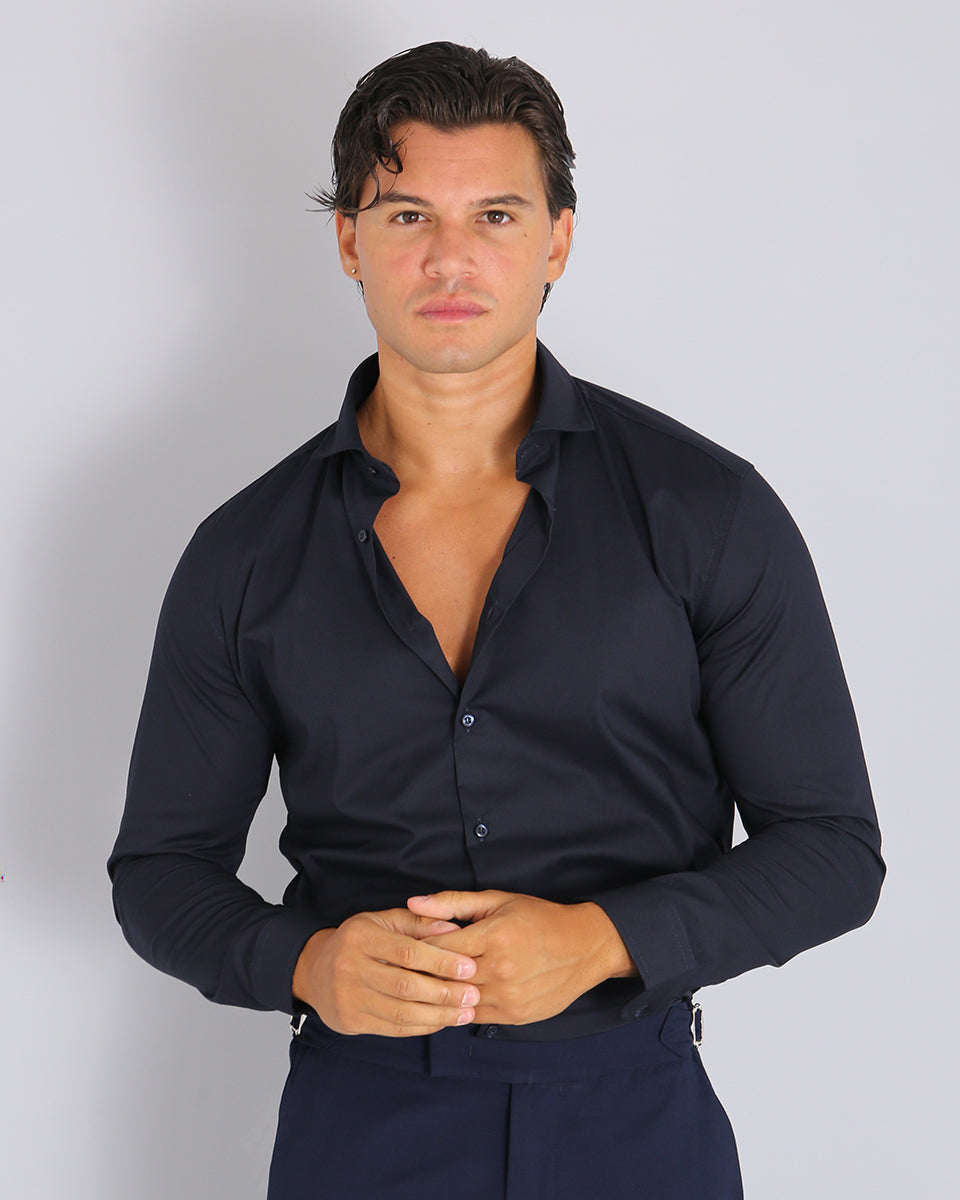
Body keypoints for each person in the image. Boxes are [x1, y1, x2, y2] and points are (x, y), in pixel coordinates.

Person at [108, 41, 885, 1200]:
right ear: (348, 241)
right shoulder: (245, 553)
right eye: (408, 215)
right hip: (359, 1128)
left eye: (497, 216)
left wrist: (604, 940)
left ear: (557, 240)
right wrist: (305, 962)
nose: (451, 257)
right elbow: (161, 870)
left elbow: (831, 851)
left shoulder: (706, 510)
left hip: (635, 1121)